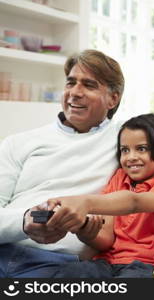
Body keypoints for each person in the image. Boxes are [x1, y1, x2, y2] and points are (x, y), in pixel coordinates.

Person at [0, 49, 125, 278]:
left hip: (56, 265)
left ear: (113, 98)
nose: (75, 93)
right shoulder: (18, 142)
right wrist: (25, 221)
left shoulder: (128, 139)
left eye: (89, 85)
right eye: (70, 83)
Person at [43, 114, 154, 278]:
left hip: (143, 265)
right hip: (104, 262)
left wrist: (86, 202)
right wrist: (83, 229)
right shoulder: (119, 178)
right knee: (70, 273)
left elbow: (135, 202)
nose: (131, 157)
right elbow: (106, 239)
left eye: (141, 149)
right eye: (125, 150)